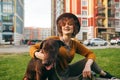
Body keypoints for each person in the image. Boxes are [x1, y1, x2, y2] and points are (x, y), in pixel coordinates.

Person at [29, 13, 117, 80]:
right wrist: (39, 55)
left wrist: (87, 66)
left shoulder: (74, 43)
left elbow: (90, 54)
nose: (66, 26)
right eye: (64, 24)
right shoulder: (52, 40)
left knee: (89, 61)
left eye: (70, 24)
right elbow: (33, 48)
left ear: (74, 28)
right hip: (55, 74)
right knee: (88, 77)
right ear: (60, 27)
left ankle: (106, 75)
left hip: (68, 70)